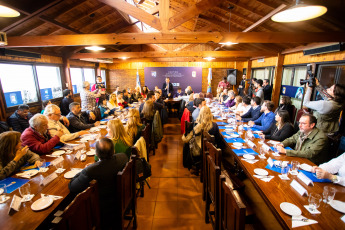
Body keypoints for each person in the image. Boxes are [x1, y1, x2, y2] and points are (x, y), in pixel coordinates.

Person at [69, 138, 128, 229]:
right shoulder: (123, 157)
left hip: (102, 206)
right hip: (122, 196)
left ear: (96, 154)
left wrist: (83, 170)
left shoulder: (90, 171)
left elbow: (72, 187)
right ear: (114, 150)